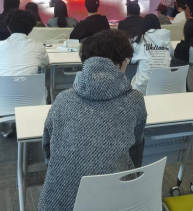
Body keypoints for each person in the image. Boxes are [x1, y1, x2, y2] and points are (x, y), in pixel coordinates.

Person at [38, 30, 147, 211]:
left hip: (59, 201)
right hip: (115, 201)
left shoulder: (62, 99)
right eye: (126, 60)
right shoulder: (134, 100)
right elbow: (136, 141)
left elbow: (47, 146)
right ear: (118, 63)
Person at [0, 10, 50, 136]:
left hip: (3, 100)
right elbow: (46, 63)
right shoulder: (38, 47)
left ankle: (2, 124)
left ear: (8, 27)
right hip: (32, 100)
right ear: (31, 29)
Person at [131, 14, 173, 94]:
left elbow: (132, 60)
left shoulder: (140, 39)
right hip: (165, 87)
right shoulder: (165, 39)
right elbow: (171, 54)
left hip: (143, 89)